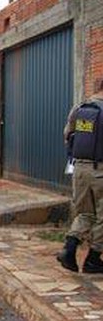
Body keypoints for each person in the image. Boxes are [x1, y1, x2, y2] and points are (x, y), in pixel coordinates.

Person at [57, 79, 103, 274]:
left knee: (85, 213)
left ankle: (69, 249)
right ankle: (93, 258)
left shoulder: (80, 108)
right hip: (100, 169)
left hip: (79, 169)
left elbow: (67, 134)